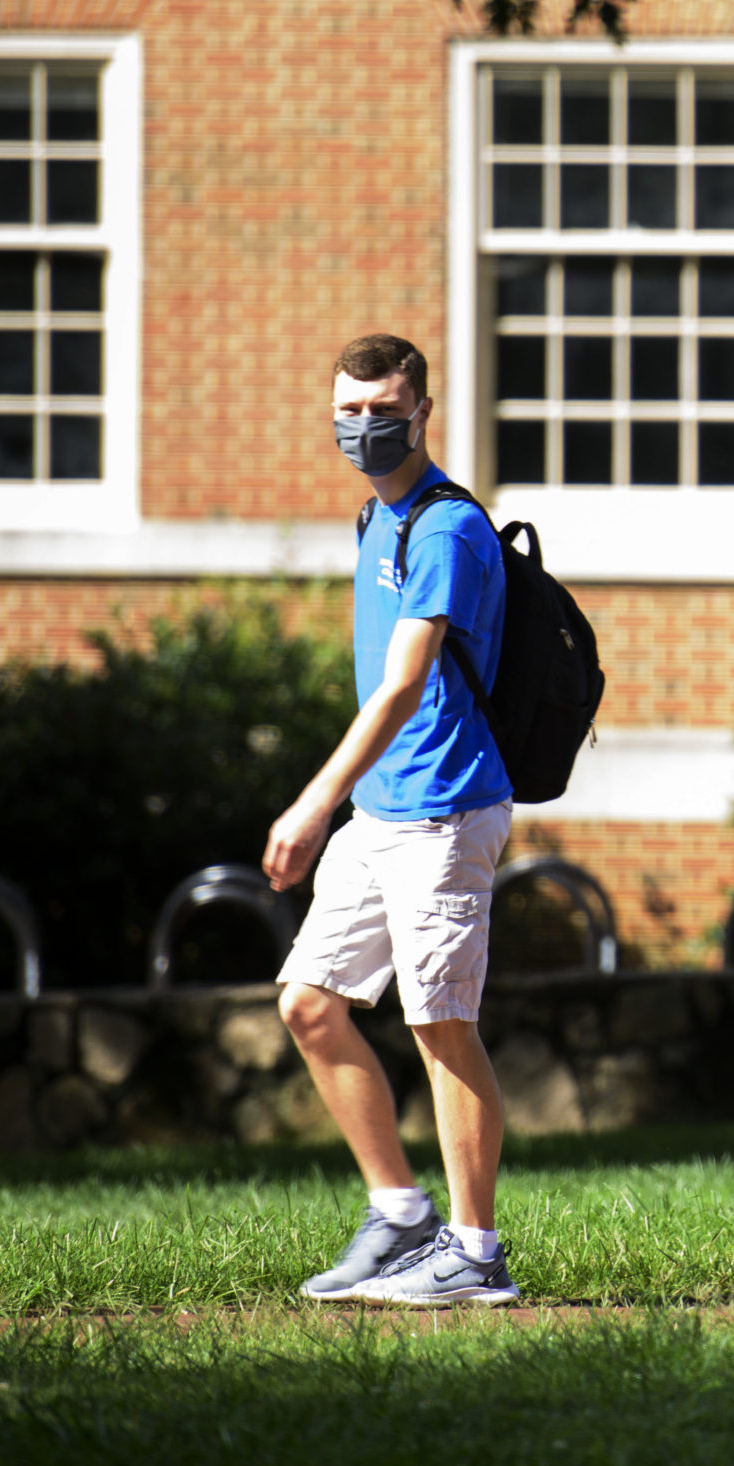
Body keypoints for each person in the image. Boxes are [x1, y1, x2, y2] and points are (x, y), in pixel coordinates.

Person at [264, 333, 521, 1307]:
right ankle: (402, 1213)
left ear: (422, 413)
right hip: (384, 811)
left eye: (382, 408)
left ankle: (475, 1250)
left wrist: (311, 796)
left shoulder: (447, 527)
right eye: (349, 408)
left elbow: (406, 681)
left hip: (446, 807)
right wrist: (349, 801)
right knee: (311, 1001)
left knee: (440, 1019)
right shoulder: (377, 516)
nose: (363, 425)